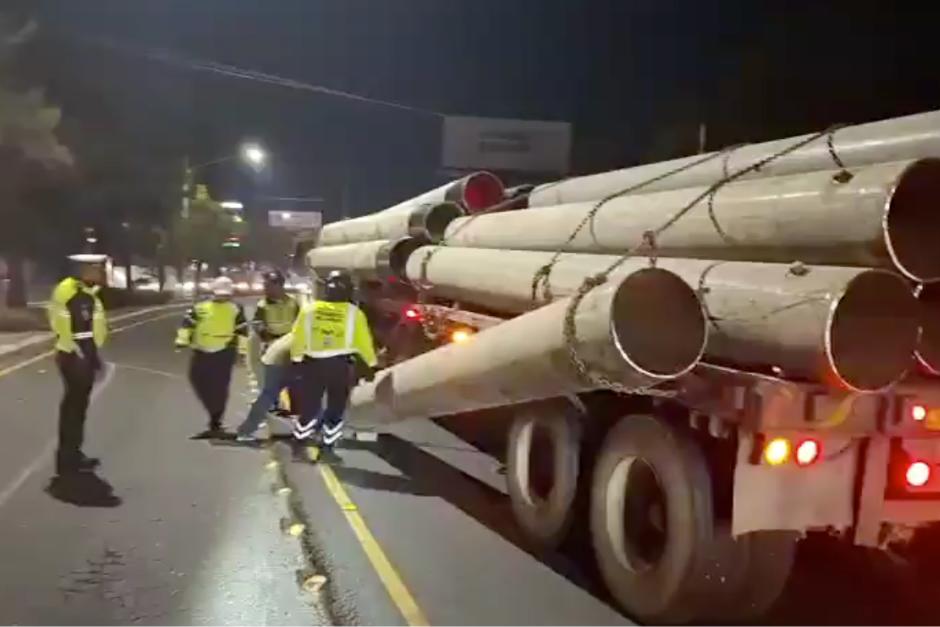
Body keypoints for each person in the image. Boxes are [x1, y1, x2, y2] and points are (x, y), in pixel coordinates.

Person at [289, 270, 377, 457]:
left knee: (310, 406)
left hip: (312, 365)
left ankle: (298, 444)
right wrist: (371, 364)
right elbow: (364, 342)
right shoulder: (354, 314)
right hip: (339, 366)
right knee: (336, 407)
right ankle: (328, 447)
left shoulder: (310, 309)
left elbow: (298, 338)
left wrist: (296, 361)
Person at [48, 254, 109, 475]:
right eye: (96, 268)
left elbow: (90, 328)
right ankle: (67, 458)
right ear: (83, 269)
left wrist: (94, 356)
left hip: (85, 354)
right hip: (74, 356)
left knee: (79, 407)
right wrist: (78, 353)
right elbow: (62, 325)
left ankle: (73, 453)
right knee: (73, 408)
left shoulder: (87, 292)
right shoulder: (69, 291)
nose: (101, 272)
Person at [175, 276, 248, 437]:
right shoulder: (200, 307)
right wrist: (182, 340)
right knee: (196, 379)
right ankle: (212, 410)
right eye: (219, 293)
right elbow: (187, 324)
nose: (222, 297)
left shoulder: (236, 308)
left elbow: (242, 331)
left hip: (224, 351)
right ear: (213, 292)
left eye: (225, 294)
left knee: (220, 387)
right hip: (201, 350)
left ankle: (216, 419)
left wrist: (242, 352)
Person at [235, 331, 293, 442]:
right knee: (269, 395)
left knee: (269, 395)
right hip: (279, 359)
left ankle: (245, 431)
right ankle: (246, 430)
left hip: (275, 356)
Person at [252, 269, 299, 345]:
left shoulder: (293, 303)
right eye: (264, 286)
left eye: (268, 286)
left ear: (278, 285)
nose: (265, 289)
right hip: (271, 343)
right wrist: (267, 337)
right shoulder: (261, 305)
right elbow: (258, 324)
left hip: (291, 342)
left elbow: (300, 322)